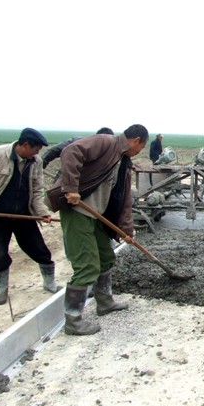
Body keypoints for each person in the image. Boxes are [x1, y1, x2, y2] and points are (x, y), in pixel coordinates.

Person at [48, 124, 149, 336]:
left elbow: (124, 201)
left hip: (98, 215)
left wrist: (126, 230)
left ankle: (104, 302)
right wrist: (71, 188)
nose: (140, 151)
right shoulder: (106, 142)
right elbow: (71, 151)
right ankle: (73, 320)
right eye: (141, 147)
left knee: (106, 257)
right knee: (87, 265)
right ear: (136, 140)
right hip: (79, 212)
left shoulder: (124, 162)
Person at [0, 127, 59, 305]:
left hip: (24, 215)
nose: (37, 153)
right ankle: (2, 289)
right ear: (25, 145)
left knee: (39, 249)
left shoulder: (35, 161)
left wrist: (42, 213)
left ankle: (49, 283)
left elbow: (37, 189)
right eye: (36, 149)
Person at [42, 127, 114, 182]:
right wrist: (41, 165)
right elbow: (54, 150)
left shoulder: (110, 154)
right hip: (66, 180)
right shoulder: (78, 142)